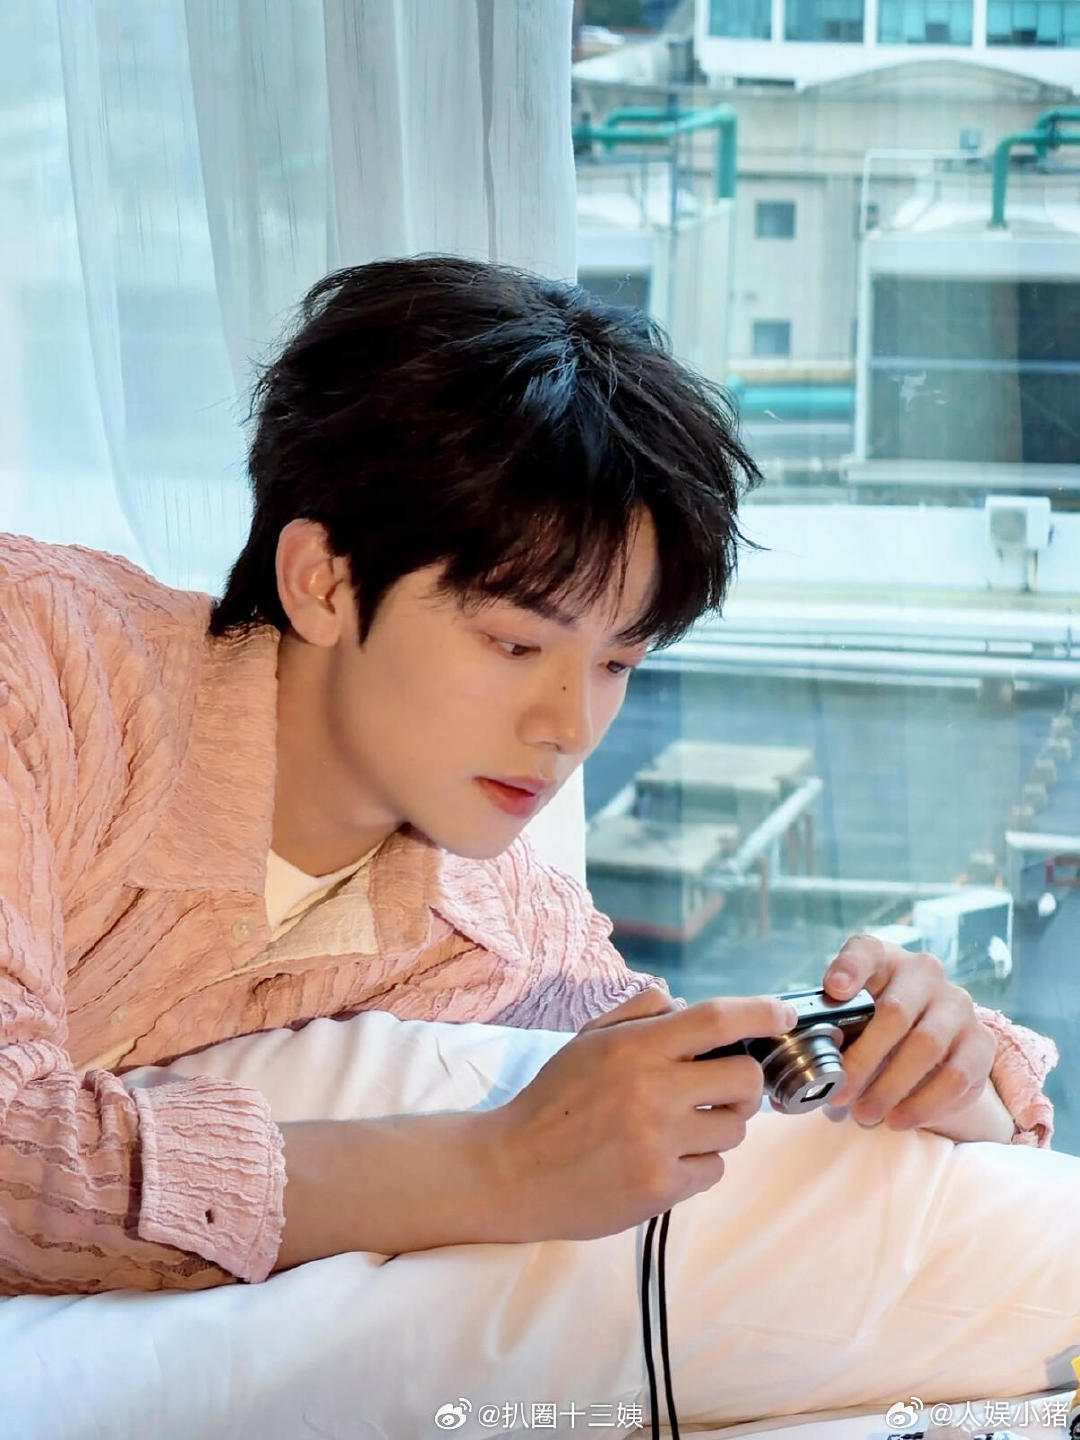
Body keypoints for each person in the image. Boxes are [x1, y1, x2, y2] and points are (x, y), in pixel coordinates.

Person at [0, 255, 1058, 1299]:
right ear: (322, 582)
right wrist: (495, 1168)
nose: (569, 727)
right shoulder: (39, 667)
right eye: (514, 645)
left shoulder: (497, 926)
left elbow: (675, 1076)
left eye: (617, 665)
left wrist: (944, 1073)